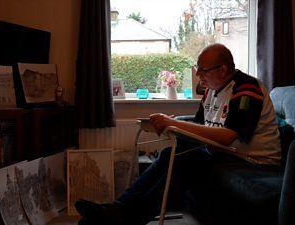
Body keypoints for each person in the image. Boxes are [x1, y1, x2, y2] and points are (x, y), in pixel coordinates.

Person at [75, 43, 281, 225]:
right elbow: (200, 125)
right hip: (226, 152)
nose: (198, 74)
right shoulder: (210, 90)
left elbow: (229, 136)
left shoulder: (246, 88)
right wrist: (173, 123)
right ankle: (117, 209)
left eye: (203, 70)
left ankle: (123, 217)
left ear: (223, 69)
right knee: (169, 154)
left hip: (254, 160)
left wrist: (174, 123)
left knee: (185, 161)